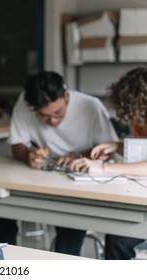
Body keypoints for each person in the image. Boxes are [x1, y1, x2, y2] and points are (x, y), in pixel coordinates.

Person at [0, 71, 119, 256]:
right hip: (42, 176)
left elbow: (110, 149)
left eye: (58, 113)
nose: (53, 121)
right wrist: (28, 155)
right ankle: (0, 265)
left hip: (77, 182)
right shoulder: (25, 102)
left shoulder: (91, 106)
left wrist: (78, 156)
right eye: (44, 116)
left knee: (70, 220)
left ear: (66, 96)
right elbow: (17, 146)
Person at [70, 67, 147, 259]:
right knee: (117, 238)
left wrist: (103, 167)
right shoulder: (139, 120)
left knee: (119, 240)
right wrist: (116, 146)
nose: (134, 120)